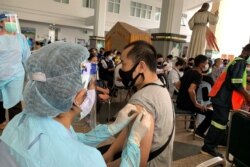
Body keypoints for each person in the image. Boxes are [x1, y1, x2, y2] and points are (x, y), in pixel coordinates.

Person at [0, 42, 151, 167]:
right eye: (87, 84)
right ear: (79, 97)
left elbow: (70, 139)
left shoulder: (19, 121)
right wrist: (134, 142)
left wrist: (111, 129)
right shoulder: (88, 160)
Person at [103, 40, 175, 167]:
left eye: (124, 64)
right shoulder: (160, 87)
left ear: (141, 66)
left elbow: (138, 161)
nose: (121, 69)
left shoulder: (142, 100)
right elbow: (132, 129)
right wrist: (111, 151)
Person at [201, 44, 250, 157]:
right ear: (247, 52)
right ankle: (208, 147)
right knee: (219, 123)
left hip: (221, 98)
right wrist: (247, 96)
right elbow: (236, 82)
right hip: (223, 99)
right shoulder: (240, 62)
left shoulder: (236, 61)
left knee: (220, 123)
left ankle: (216, 142)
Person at [0, 13, 31, 130]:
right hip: (1, 74)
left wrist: (31, 74)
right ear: (1, 23)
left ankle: (15, 127)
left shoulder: (20, 38)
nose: (11, 23)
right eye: (8, 20)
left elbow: (26, 57)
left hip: (16, 75)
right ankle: (1, 121)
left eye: (13, 20)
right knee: (0, 101)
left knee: (15, 102)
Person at [176, 55, 213, 137]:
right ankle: (199, 132)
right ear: (201, 64)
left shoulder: (188, 71)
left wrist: (184, 94)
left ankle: (194, 127)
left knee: (201, 105)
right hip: (187, 104)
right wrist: (196, 103)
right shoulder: (198, 75)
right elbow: (190, 90)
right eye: (206, 63)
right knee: (211, 114)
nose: (207, 65)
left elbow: (178, 85)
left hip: (180, 102)